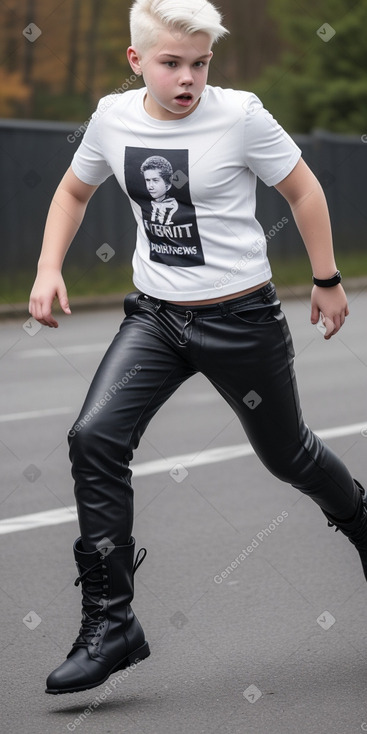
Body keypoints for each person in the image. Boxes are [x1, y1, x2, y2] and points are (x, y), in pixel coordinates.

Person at [29, 0, 367, 696]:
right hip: (156, 318)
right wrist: (47, 266)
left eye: (200, 64)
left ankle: (362, 521)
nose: (188, 78)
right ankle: (111, 623)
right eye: (171, 63)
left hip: (240, 319)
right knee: (94, 437)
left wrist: (327, 278)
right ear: (136, 62)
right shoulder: (111, 118)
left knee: (288, 456)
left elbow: (302, 189)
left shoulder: (240, 115)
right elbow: (71, 191)